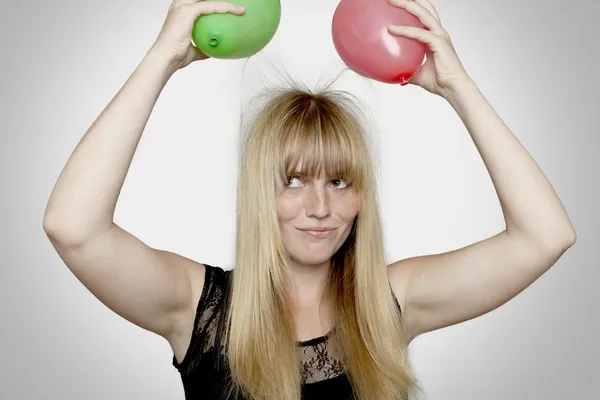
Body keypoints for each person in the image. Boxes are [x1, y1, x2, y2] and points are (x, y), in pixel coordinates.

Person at [42, 0, 576, 399]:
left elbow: (545, 236)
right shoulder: (195, 307)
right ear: (260, 193)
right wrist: (162, 59)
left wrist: (457, 86)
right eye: (294, 181)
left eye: (339, 182)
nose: (319, 207)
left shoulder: (390, 305)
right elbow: (73, 227)